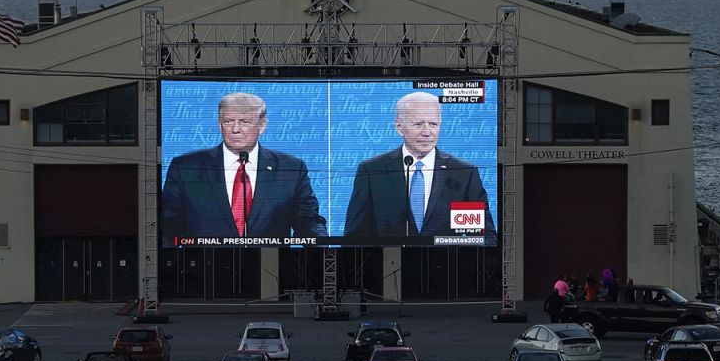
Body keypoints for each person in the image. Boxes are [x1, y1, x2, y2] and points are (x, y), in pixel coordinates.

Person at [161, 92, 328, 239]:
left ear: (262, 125)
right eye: (228, 121)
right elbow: (167, 227)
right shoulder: (185, 167)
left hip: (271, 267)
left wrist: (323, 251)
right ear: (219, 125)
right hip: (204, 267)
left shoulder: (291, 168)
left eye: (244, 122)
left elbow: (308, 222)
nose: (235, 129)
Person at [343, 91, 494, 237]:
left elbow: (482, 234)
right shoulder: (372, 171)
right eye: (418, 124)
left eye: (433, 124)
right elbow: (356, 235)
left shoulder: (462, 173)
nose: (427, 132)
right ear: (399, 127)